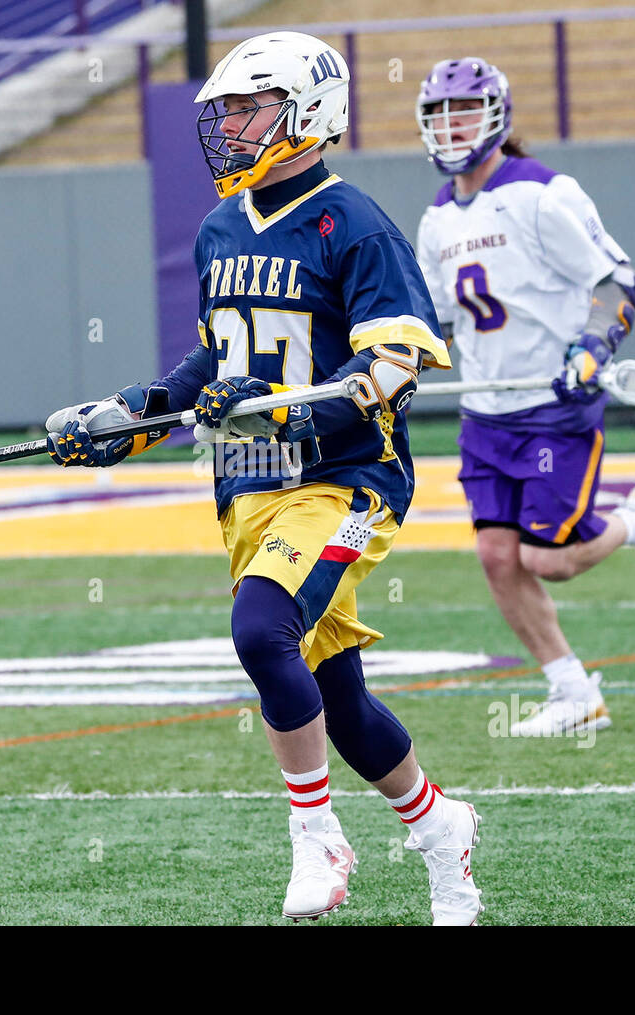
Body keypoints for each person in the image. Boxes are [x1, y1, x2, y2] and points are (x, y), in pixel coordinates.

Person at [45, 32, 481, 925]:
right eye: (227, 111)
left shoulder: (352, 222)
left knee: (260, 630)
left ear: (309, 110)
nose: (232, 127)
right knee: (340, 700)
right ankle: (442, 829)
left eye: (250, 107)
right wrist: (129, 416)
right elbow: (216, 360)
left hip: (347, 479)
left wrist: (289, 410)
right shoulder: (218, 228)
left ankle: (316, 835)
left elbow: (395, 361)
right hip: (249, 483)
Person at [413, 58, 635, 737]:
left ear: (496, 116)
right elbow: (433, 319)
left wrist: (594, 346)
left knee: (550, 558)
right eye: (439, 114)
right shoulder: (434, 220)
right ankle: (574, 691)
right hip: (485, 412)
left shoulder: (543, 194)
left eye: (464, 110)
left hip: (553, 406)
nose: (452, 126)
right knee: (495, 556)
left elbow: (616, 279)